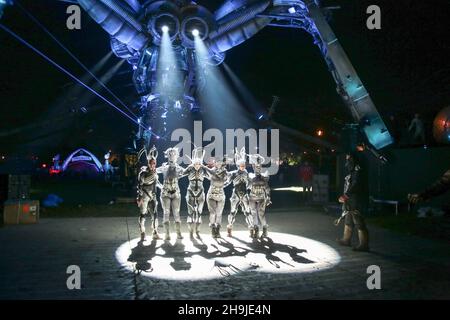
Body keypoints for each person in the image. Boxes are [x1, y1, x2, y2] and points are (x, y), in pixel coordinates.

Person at [335, 153, 369, 252]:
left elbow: (356, 185)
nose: (347, 162)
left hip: (356, 200)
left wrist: (346, 195)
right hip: (350, 201)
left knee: (359, 222)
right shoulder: (352, 171)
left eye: (348, 159)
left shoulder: (358, 171)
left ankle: (364, 244)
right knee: (348, 220)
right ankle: (346, 240)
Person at [156, 147, 185, 240]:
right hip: (165, 193)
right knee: (166, 212)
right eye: (170, 154)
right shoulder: (164, 167)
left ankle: (178, 232)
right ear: (167, 156)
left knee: (176, 212)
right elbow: (154, 171)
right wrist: (159, 185)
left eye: (174, 154)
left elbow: (188, 171)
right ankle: (167, 233)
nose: (172, 156)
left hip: (176, 193)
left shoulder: (179, 168)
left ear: (176, 156)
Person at [136, 146, 161, 241]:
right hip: (144, 195)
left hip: (153, 196)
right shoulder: (143, 172)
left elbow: (157, 183)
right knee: (143, 214)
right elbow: (140, 185)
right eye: (151, 163)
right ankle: (142, 232)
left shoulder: (155, 173)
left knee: (155, 214)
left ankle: (155, 232)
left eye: (154, 163)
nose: (153, 165)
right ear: (148, 163)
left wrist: (163, 187)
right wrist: (139, 197)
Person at [227, 148, 253, 237]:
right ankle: (229, 227)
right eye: (241, 165)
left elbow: (250, 182)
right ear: (238, 165)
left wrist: (250, 186)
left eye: (244, 165)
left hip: (245, 193)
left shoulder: (246, 173)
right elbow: (228, 182)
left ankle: (251, 228)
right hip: (236, 193)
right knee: (233, 211)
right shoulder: (233, 173)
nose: (243, 166)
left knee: (247, 211)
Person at [183, 147, 207, 239]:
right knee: (191, 212)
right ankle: (190, 231)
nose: (197, 165)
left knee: (199, 212)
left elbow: (211, 176)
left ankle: (197, 230)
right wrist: (188, 168)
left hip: (201, 192)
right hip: (190, 191)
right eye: (196, 164)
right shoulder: (190, 169)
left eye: (199, 164)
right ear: (193, 164)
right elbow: (181, 174)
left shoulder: (203, 170)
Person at [203, 157, 230, 238]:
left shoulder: (225, 172)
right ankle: (212, 228)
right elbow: (205, 172)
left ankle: (217, 230)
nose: (218, 163)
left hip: (221, 195)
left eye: (220, 162)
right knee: (213, 213)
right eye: (217, 162)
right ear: (214, 163)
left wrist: (221, 186)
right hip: (211, 194)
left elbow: (227, 180)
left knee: (219, 214)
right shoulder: (211, 171)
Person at [248, 154, 271, 239]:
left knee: (261, 214)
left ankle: (265, 229)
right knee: (253, 213)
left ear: (261, 167)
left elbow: (267, 188)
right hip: (252, 197)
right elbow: (247, 186)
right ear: (253, 167)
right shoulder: (250, 176)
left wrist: (268, 197)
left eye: (259, 166)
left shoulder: (265, 177)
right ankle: (256, 229)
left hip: (261, 197)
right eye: (256, 166)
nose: (258, 168)